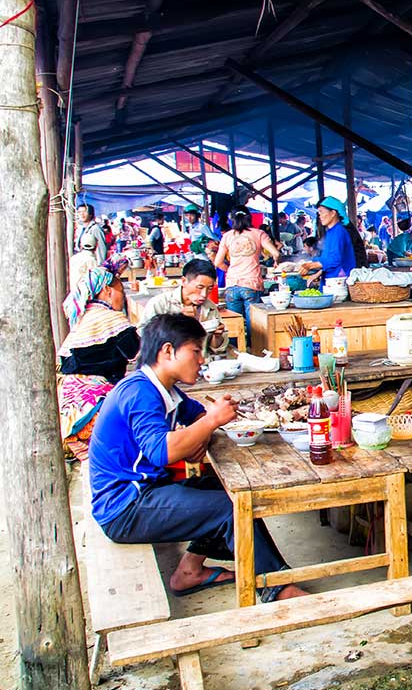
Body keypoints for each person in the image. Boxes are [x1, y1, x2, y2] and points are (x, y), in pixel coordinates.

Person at [90, 313, 305, 602]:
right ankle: (277, 586)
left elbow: (198, 416)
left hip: (146, 492)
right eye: (194, 351)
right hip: (125, 507)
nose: (201, 360)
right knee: (231, 507)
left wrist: (206, 423)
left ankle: (190, 570)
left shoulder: (165, 389)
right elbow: (163, 450)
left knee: (221, 489)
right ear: (168, 351)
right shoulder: (140, 392)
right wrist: (209, 424)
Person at [57, 263, 141, 453]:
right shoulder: (111, 319)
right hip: (91, 409)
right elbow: (137, 352)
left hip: (69, 403)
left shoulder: (84, 317)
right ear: (107, 291)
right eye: (121, 290)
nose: (124, 296)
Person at [138, 258, 229, 358]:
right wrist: (178, 321)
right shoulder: (160, 303)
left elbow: (216, 349)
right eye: (199, 287)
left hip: (201, 366)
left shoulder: (210, 307)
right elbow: (145, 338)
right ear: (184, 281)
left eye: (210, 288)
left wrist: (217, 336)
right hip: (168, 367)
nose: (204, 294)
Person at [213, 207, 280, 329]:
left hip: (232, 284)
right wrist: (276, 261)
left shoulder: (227, 236)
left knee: (235, 324)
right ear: (249, 217)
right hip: (252, 283)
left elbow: (218, 262)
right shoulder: (259, 234)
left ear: (231, 219)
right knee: (253, 324)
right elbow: (276, 253)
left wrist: (229, 270)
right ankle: (253, 347)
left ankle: (235, 347)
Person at [301, 197, 357, 282]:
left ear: (333, 213)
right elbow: (327, 257)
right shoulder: (331, 232)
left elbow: (335, 259)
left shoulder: (339, 231)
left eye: (321, 211)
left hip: (338, 279)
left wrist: (311, 265)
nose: (320, 216)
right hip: (330, 278)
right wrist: (317, 273)